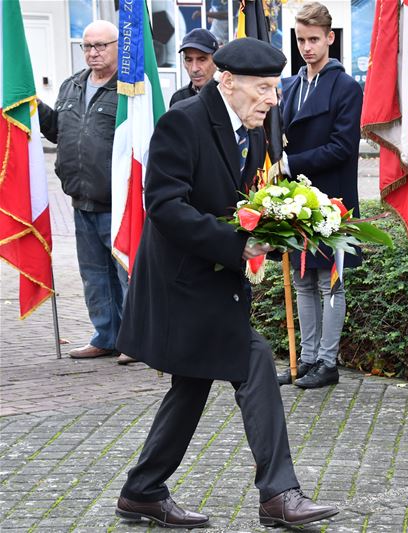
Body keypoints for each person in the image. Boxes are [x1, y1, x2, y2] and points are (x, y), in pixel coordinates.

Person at [113, 38, 339, 528]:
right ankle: (278, 494)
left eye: (276, 88)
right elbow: (165, 206)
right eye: (264, 88)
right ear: (229, 81)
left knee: (192, 385)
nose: (273, 99)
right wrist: (235, 244)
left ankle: (142, 491)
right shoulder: (183, 122)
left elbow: (242, 208)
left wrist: (284, 228)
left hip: (215, 284)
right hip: (180, 286)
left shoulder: (252, 131)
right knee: (253, 361)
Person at [275, 2, 363, 390]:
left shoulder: (346, 87)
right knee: (302, 280)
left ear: (330, 38)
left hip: (332, 199)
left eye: (314, 39)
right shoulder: (290, 86)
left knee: (330, 281)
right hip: (297, 198)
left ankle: (328, 362)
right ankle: (307, 359)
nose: (307, 48)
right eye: (300, 40)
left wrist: (290, 162)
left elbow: (343, 146)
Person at [38, 20, 131, 364]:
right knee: (94, 276)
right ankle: (106, 337)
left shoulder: (130, 89)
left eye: (101, 46)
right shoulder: (71, 85)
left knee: (127, 275)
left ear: (117, 47)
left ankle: (135, 340)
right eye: (87, 46)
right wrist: (33, 106)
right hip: (81, 200)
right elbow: (58, 132)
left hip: (119, 203)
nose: (93, 53)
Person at [169, 28, 219, 106]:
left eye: (202, 60)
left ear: (216, 60)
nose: (194, 69)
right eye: (189, 60)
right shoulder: (179, 99)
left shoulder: (231, 95)